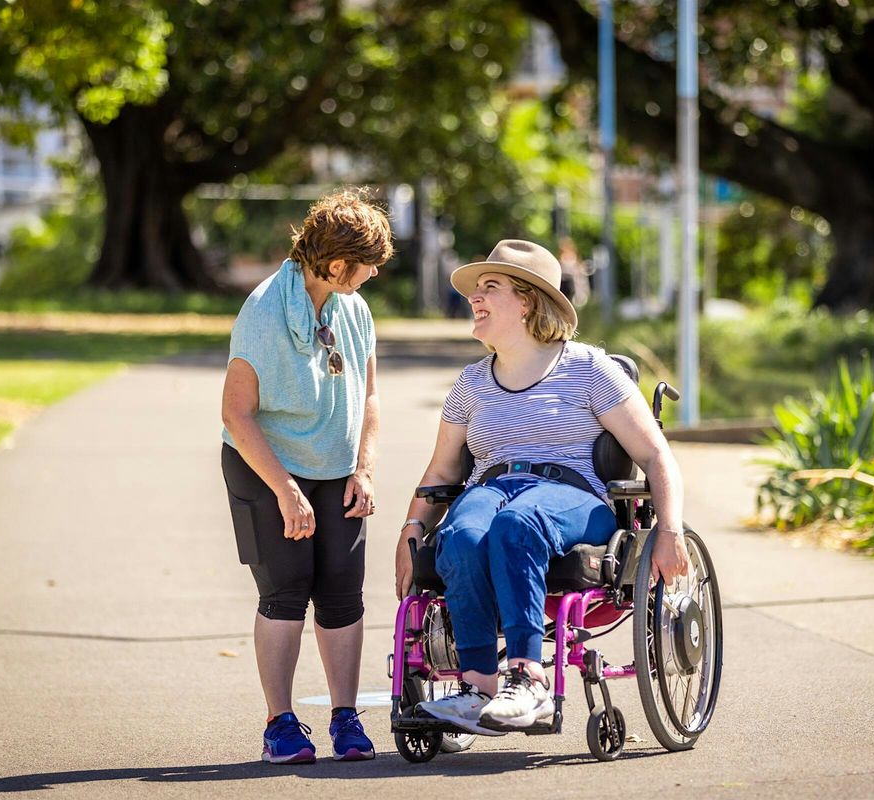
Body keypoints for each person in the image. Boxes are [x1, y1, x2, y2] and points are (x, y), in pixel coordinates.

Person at [394, 239, 690, 734]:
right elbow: (440, 475)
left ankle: (528, 680)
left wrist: (670, 529)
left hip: (575, 497)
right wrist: (409, 534)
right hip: (491, 486)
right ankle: (477, 687)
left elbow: (656, 454)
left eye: (491, 287)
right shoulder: (470, 383)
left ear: (528, 301)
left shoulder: (590, 369)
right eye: (476, 290)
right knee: (462, 536)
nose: (475, 298)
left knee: (518, 523)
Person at [221, 189, 392, 764]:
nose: (373, 275)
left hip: (337, 467)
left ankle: (346, 718)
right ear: (339, 264)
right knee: (286, 591)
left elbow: (369, 396)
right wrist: (285, 490)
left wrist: (364, 468)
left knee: (342, 593)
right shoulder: (266, 310)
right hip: (267, 463)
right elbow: (236, 412)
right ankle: (280, 724)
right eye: (368, 265)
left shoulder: (354, 311)